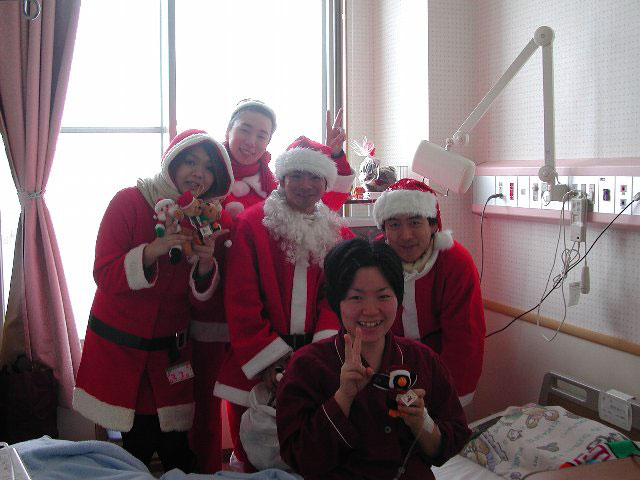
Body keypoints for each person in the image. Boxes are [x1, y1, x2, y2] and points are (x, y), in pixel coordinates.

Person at [73, 129, 234, 473]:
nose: (199, 173)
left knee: (179, 452)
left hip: (171, 358)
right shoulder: (130, 201)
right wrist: (151, 251)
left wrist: (207, 263)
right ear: (172, 163)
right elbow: (104, 273)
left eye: (208, 168)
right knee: (134, 452)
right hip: (122, 353)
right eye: (190, 161)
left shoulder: (204, 220)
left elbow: (200, 304)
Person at [276, 238, 471, 479]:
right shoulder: (307, 366)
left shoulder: (422, 360)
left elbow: (449, 444)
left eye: (383, 296)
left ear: (398, 298)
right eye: (356, 298)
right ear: (336, 302)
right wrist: (343, 397)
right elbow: (300, 458)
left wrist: (422, 422)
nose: (370, 310)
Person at [213, 144, 355, 471]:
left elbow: (337, 298)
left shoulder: (338, 232)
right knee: (253, 456)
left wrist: (317, 355)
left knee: (311, 452)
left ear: (326, 183)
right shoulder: (252, 223)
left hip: (315, 361)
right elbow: (241, 299)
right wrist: (270, 360)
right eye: (297, 175)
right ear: (282, 178)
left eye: (315, 177)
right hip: (257, 364)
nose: (306, 185)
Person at [372, 179, 486, 407]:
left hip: (441, 367)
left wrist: (446, 396)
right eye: (394, 225)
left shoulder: (456, 262)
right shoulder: (372, 260)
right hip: (383, 368)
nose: (405, 235)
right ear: (384, 230)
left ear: (434, 226)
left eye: (415, 222)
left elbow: (464, 337)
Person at [221, 98, 355, 218]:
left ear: (267, 142)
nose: (251, 142)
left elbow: (320, 205)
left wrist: (334, 155)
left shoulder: (272, 184)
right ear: (228, 132)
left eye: (261, 136)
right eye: (244, 130)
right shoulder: (210, 173)